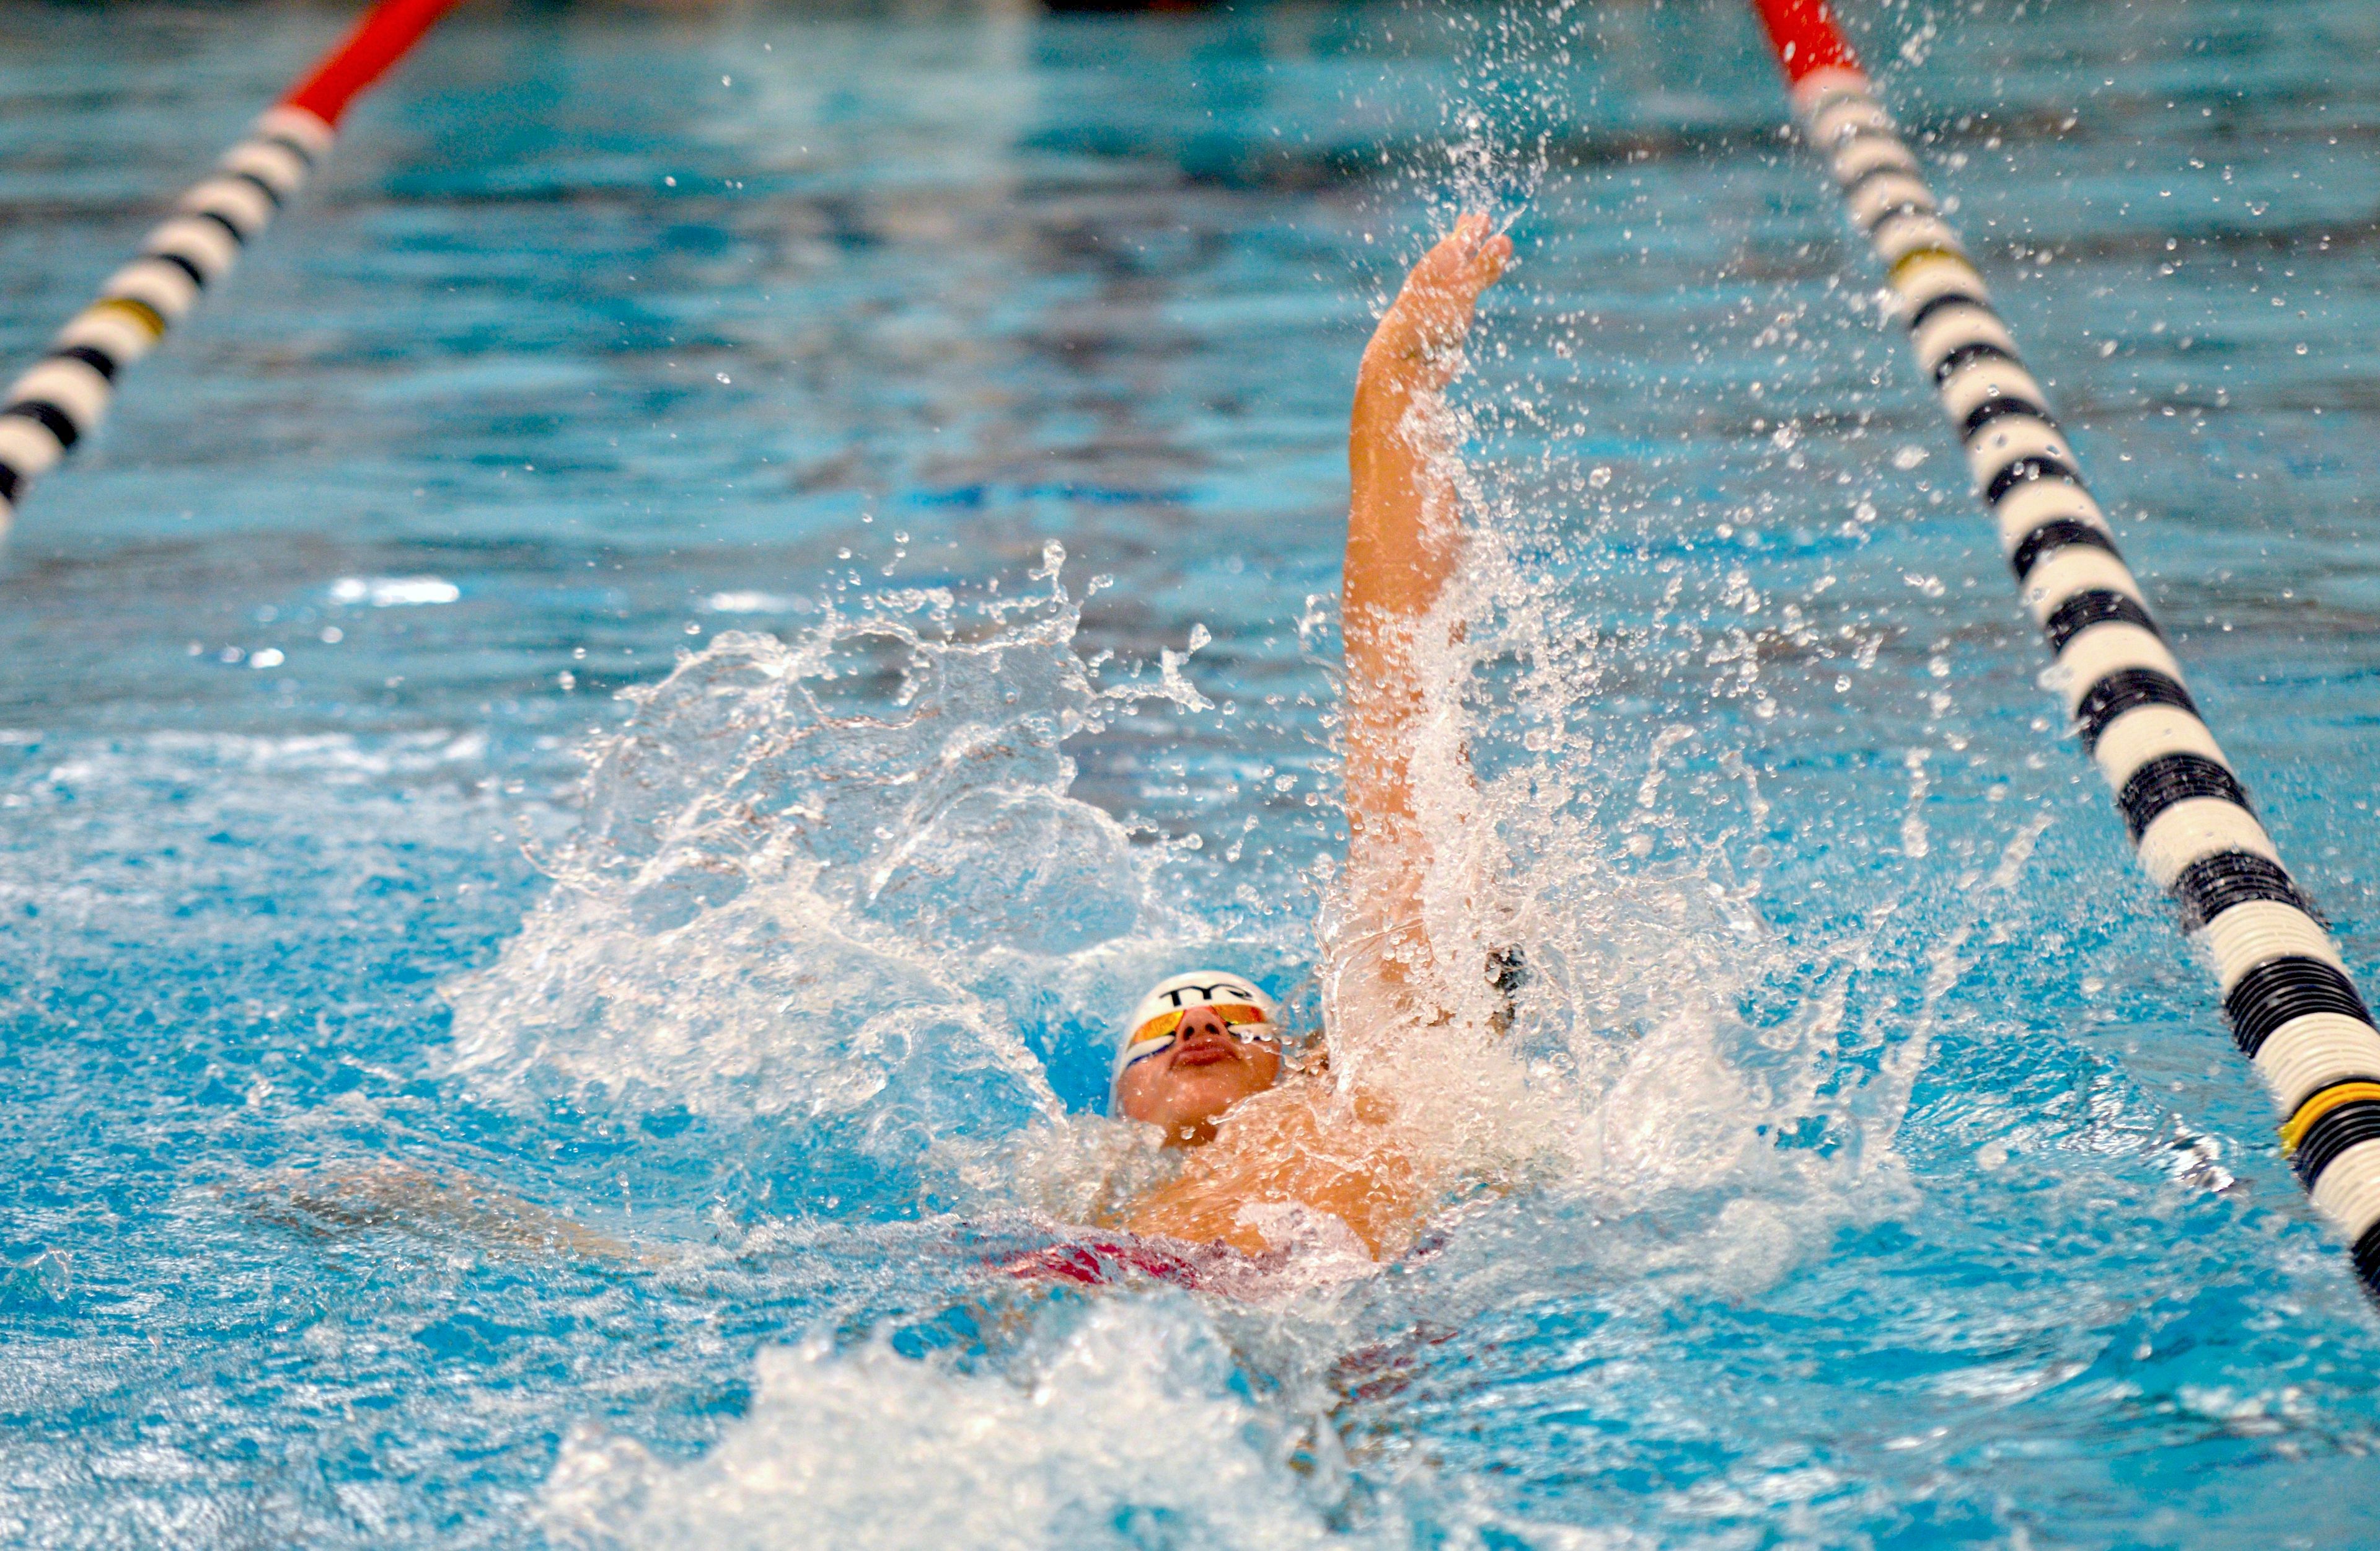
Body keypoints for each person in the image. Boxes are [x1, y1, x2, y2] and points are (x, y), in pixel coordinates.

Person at [1084, 213, 1514, 1268]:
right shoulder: (1080, 1212)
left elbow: (1401, 698)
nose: (1196, 1031)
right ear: (1119, 1105)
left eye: (1232, 1018)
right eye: (1164, 1034)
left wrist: (1395, 380)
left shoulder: (1365, 1086)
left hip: (1372, 1325)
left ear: (1302, 1053)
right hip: (1154, 1306)